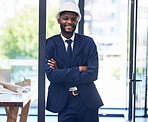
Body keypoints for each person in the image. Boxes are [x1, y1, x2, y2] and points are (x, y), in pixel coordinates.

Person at [44, 1, 103, 122]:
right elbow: (51, 75)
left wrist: (61, 72)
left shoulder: (88, 43)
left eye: (73, 19)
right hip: (64, 102)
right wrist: (80, 69)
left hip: (88, 101)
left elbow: (93, 73)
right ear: (59, 20)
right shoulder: (50, 43)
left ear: (77, 21)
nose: (69, 22)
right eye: (65, 18)